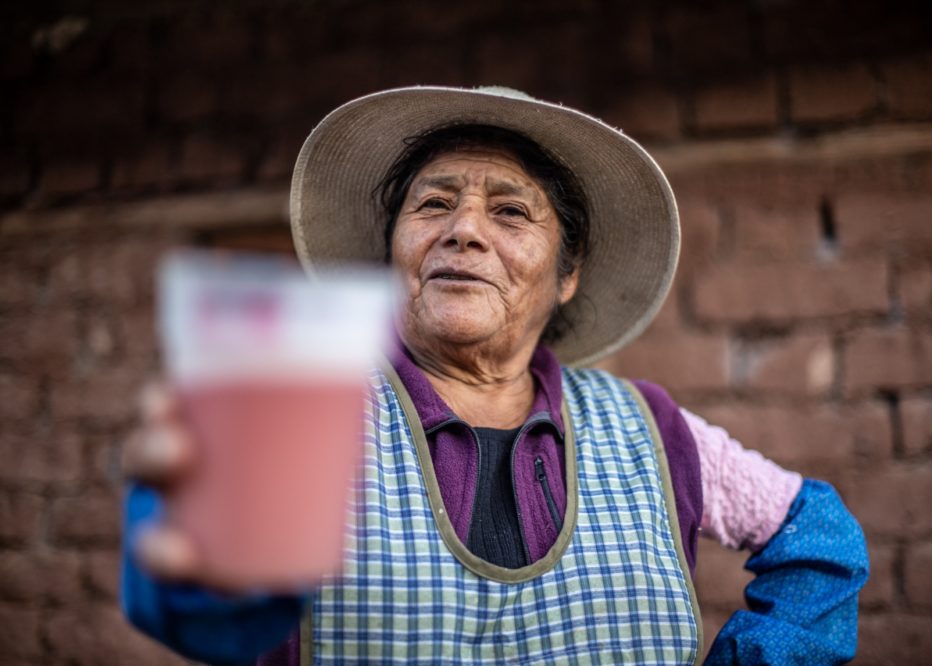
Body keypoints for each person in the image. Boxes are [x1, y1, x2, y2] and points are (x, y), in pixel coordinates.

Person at [121, 86, 868, 665]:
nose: (464, 229)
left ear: (567, 274)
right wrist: (198, 565)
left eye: (510, 212)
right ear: (394, 253)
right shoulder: (310, 406)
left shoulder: (650, 430)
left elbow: (824, 540)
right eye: (434, 204)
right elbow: (205, 603)